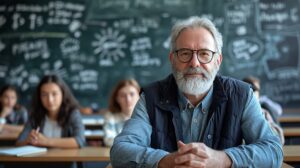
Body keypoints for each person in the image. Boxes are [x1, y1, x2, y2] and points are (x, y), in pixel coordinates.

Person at [110, 16, 283, 167]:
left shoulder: (242, 95)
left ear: (218, 60)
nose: (194, 63)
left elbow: (273, 150)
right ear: (172, 59)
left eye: (204, 54)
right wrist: (166, 161)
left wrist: (223, 159)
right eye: (185, 53)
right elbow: (120, 150)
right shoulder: (151, 97)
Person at [16, 74, 86, 149]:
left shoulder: (73, 113)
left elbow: (80, 141)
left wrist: (46, 141)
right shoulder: (35, 114)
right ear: (39, 97)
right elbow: (19, 142)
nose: (50, 100)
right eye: (44, 95)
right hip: (41, 160)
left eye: (54, 94)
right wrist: (27, 140)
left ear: (63, 94)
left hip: (65, 160)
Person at [243, 76, 285, 144]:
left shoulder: (265, 108)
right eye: (253, 90)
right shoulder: (240, 109)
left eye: (256, 90)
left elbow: (278, 138)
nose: (255, 93)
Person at [103, 79, 140, 146]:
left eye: (132, 94)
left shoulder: (147, 117)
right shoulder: (111, 117)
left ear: (139, 96)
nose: (128, 99)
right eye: (123, 95)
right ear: (117, 99)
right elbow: (108, 140)